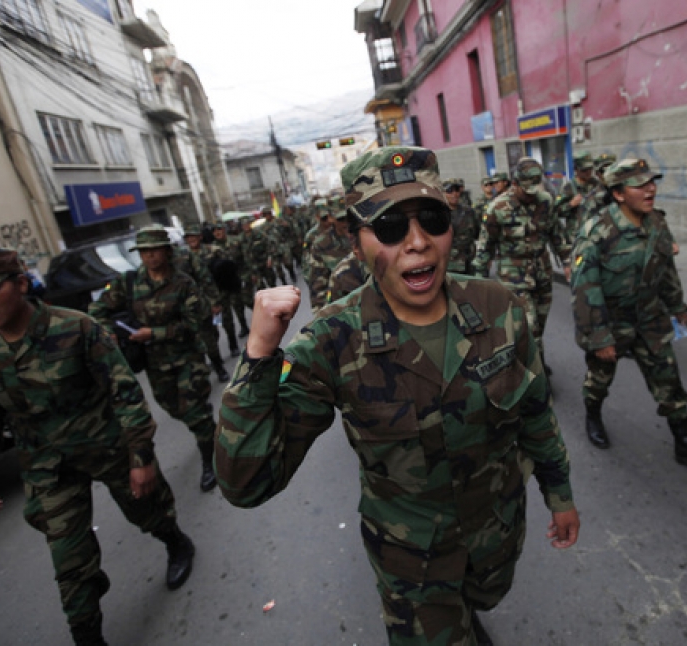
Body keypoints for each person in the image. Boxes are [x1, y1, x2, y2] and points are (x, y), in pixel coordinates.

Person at [215, 146, 579, 646]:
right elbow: (246, 483)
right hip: (415, 566)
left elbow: (536, 413)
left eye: (432, 219)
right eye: (388, 227)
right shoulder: (331, 339)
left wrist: (559, 495)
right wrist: (258, 356)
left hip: (497, 536)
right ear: (356, 239)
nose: (417, 243)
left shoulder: (498, 306)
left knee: (481, 604)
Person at [0, 247, 194, 646]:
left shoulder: (75, 328)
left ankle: (175, 541)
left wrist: (141, 457)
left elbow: (126, 394)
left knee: (149, 514)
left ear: (21, 285)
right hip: (48, 468)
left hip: (108, 449)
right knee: (70, 568)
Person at [570, 158, 687, 466]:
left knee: (669, 381)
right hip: (612, 323)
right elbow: (584, 288)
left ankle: (684, 441)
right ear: (619, 194)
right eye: (640, 185)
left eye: (652, 183)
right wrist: (599, 337)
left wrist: (677, 305)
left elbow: (666, 268)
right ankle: (593, 417)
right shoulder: (597, 231)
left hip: (651, 320)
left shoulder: (656, 222)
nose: (651, 190)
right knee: (599, 380)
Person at [89, 226, 218, 493]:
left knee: (195, 411)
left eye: (154, 250)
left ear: (166, 251)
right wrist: (109, 332)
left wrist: (155, 333)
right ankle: (206, 429)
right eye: (144, 251)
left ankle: (212, 457)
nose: (149, 256)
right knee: (171, 406)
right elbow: (97, 310)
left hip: (187, 358)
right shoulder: (128, 282)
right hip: (155, 363)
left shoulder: (183, 284)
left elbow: (198, 323)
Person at [473, 158, 571, 356]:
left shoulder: (545, 201)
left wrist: (568, 262)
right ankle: (537, 378)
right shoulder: (497, 209)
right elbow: (485, 246)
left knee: (540, 325)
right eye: (527, 190)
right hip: (513, 277)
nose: (531, 195)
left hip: (542, 273)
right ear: (515, 183)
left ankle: (531, 360)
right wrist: (478, 283)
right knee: (529, 327)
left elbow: (557, 234)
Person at [179, 225, 230, 383]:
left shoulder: (206, 252)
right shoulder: (180, 258)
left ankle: (218, 365)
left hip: (204, 304)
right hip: (184, 310)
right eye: (188, 238)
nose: (191, 240)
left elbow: (207, 280)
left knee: (212, 334)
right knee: (195, 341)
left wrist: (214, 302)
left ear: (199, 237)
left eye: (193, 236)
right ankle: (207, 368)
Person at [210, 221, 250, 345]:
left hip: (236, 280)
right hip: (221, 286)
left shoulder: (236, 241)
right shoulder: (211, 249)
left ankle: (244, 325)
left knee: (239, 306)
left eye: (220, 229)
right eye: (215, 231)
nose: (217, 233)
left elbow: (246, 257)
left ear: (225, 230)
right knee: (226, 314)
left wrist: (248, 275)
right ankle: (232, 341)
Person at [557, 150, 603, 247]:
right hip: (576, 237)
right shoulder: (568, 187)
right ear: (576, 169)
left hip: (596, 234)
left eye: (590, 169)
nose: (588, 172)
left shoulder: (596, 184)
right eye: (584, 170)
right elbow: (557, 212)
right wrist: (571, 204)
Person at [444, 178, 479, 274]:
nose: (454, 194)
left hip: (470, 260)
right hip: (451, 264)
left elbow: (477, 233)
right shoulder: (440, 214)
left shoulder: (468, 211)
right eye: (449, 191)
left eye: (457, 190)